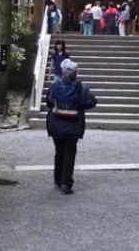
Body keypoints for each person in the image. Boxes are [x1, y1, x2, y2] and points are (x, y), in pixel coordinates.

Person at [45, 60, 97, 194]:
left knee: (59, 151)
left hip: (56, 124)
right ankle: (66, 183)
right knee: (69, 153)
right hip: (73, 125)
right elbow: (91, 102)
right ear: (76, 73)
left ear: (63, 72)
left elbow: (49, 101)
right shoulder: (81, 87)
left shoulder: (55, 85)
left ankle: (57, 179)